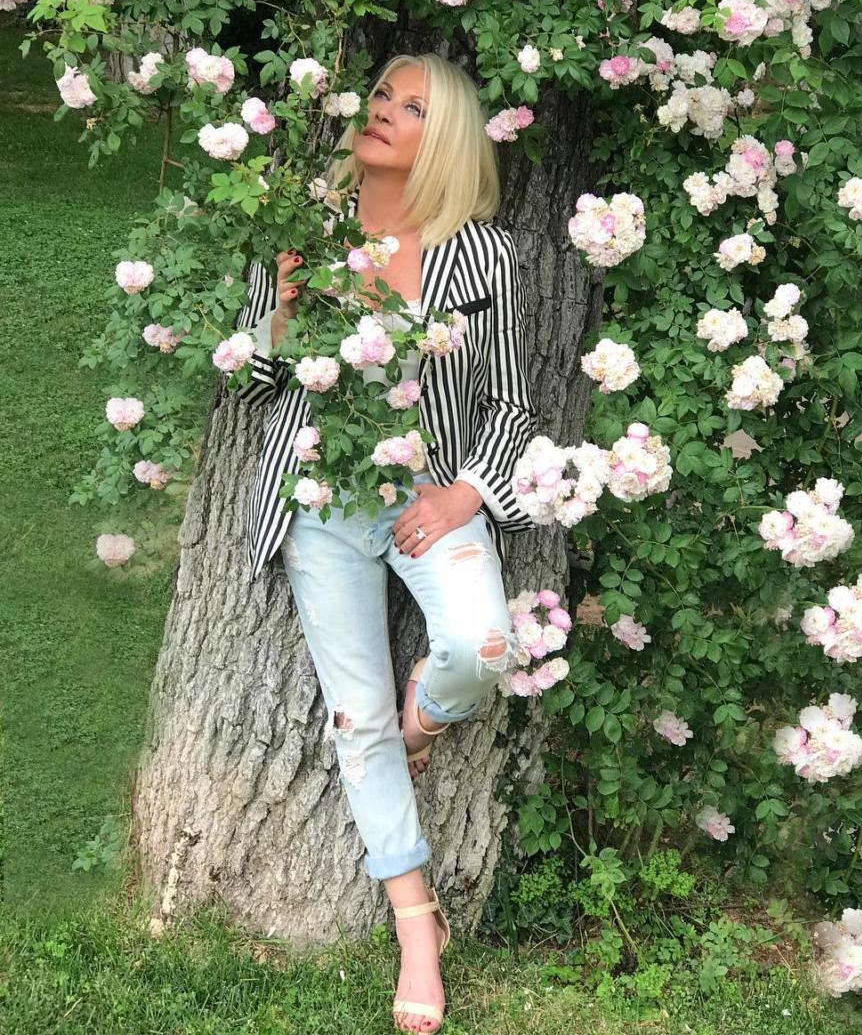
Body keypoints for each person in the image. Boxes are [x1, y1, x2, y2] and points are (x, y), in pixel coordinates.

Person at [232, 52, 537, 1032]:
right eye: (378, 97)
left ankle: (421, 726)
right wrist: (283, 309)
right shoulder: (309, 229)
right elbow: (252, 382)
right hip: (320, 493)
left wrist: (464, 495)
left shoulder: (482, 256)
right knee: (352, 718)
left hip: (426, 492)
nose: (382, 114)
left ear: (442, 140)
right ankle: (415, 926)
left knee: (481, 646)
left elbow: (512, 405)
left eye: (411, 108)